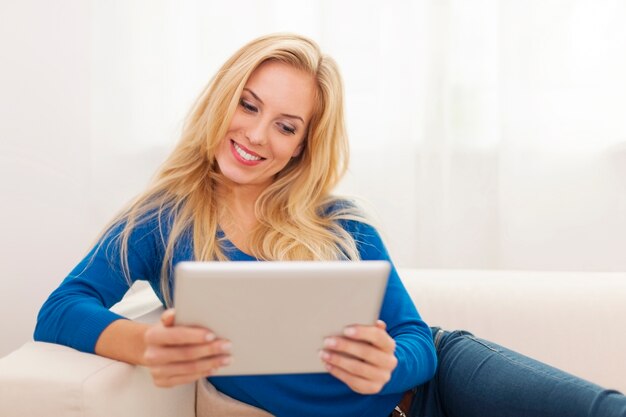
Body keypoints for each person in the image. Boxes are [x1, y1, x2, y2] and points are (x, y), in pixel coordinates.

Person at [34, 33, 625, 417]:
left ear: (301, 147)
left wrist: (390, 361)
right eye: (249, 104)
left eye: (287, 126)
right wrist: (145, 343)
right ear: (221, 99)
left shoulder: (337, 222)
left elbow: (418, 340)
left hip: (444, 388)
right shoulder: (162, 219)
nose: (257, 136)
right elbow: (61, 309)